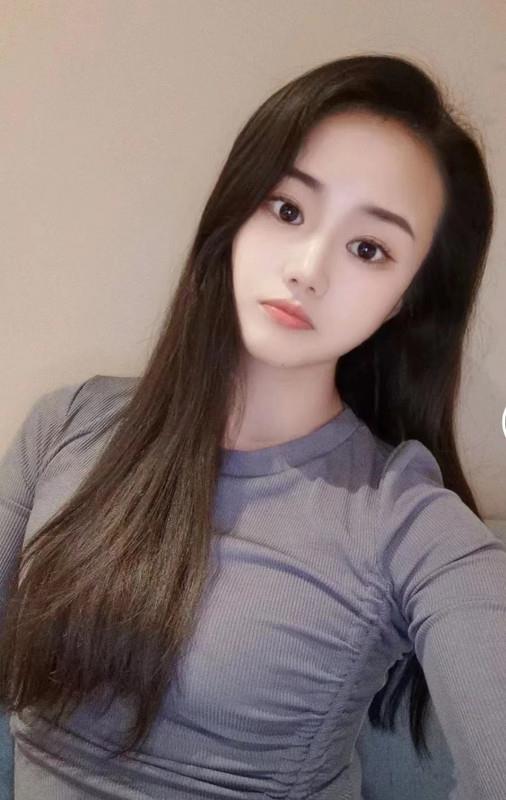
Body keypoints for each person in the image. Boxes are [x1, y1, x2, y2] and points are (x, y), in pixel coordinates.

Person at [1, 53, 505, 800]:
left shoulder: (405, 520)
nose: (308, 268)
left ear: (405, 296)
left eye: (369, 249)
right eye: (288, 209)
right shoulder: (69, 425)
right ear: (237, 210)